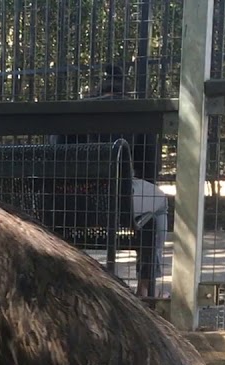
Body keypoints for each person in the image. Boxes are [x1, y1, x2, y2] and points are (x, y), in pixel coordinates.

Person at [53, 65, 169, 298]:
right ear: (124, 92)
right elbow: (149, 171)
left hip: (66, 207)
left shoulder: (72, 112)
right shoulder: (135, 113)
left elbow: (55, 159)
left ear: (97, 90)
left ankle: (60, 282)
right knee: (157, 204)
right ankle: (145, 287)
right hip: (118, 204)